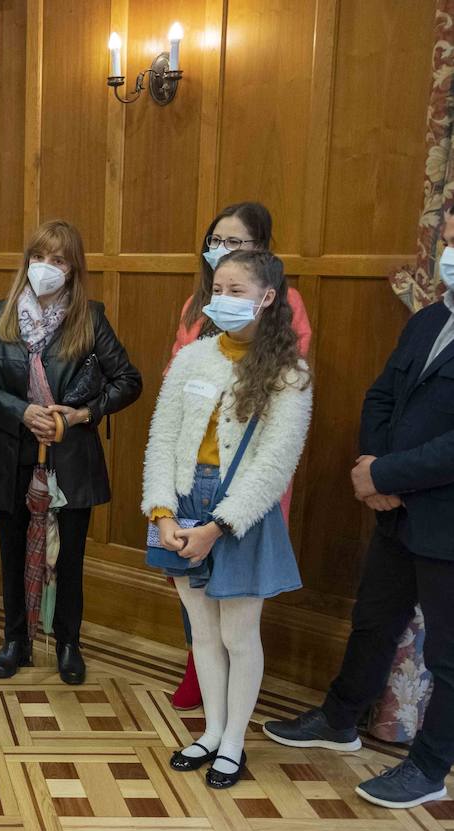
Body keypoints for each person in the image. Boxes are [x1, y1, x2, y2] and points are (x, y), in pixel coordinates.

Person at [263, 206, 454, 809]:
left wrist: (388, 473)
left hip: (445, 520)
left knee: (447, 653)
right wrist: (372, 466)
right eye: (447, 237)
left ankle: (428, 767)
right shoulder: (429, 321)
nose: (447, 249)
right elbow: (382, 394)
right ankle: (339, 719)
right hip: (395, 511)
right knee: (373, 620)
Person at [144, 250, 312, 790]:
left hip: (239, 512)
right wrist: (162, 510)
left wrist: (218, 524)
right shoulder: (193, 357)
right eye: (219, 288)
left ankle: (234, 741)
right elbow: (163, 438)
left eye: (237, 290)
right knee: (202, 632)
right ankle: (211, 731)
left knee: (239, 633)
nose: (223, 299)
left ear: (267, 298)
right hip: (184, 499)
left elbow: (274, 465)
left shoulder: (289, 372)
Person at [0, 219, 142, 684]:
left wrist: (80, 415)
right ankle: (16, 639)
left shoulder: (90, 318)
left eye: (58, 260)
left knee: (67, 558)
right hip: (12, 454)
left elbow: (129, 382)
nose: (46, 267)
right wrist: (23, 412)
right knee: (12, 551)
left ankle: (68, 642)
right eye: (39, 257)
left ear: (73, 270)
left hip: (71, 458)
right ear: (26, 262)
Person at [168, 201, 314, 712]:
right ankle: (199, 668)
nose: (222, 252)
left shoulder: (285, 304)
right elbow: (176, 380)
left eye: (236, 243)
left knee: (235, 595)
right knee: (191, 577)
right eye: (217, 242)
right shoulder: (197, 304)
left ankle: (232, 714)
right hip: (193, 468)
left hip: (245, 473)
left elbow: (280, 377)